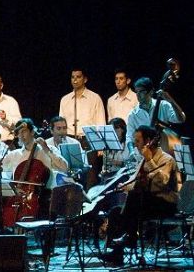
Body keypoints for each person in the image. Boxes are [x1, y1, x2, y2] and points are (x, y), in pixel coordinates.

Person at [100, 125, 179, 266]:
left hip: (165, 203)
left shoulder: (166, 159)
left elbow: (162, 182)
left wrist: (149, 160)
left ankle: (130, 237)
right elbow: (136, 181)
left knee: (135, 197)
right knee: (115, 212)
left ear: (148, 141)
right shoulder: (142, 159)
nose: (135, 144)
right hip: (146, 203)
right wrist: (124, 186)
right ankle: (118, 252)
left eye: (137, 141)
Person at [126, 77, 185, 149]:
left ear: (151, 92)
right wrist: (132, 152)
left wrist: (171, 101)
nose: (138, 95)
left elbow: (181, 119)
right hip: (144, 154)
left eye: (141, 91)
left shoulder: (163, 105)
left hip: (163, 151)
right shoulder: (133, 115)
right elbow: (129, 137)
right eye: (136, 92)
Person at [58, 68, 106, 138]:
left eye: (78, 77)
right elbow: (60, 123)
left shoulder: (95, 98)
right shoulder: (65, 99)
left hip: (89, 138)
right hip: (69, 138)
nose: (75, 80)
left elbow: (101, 123)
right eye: (72, 77)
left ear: (85, 79)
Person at [44, 116, 90, 187]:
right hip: (51, 181)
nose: (62, 132)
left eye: (64, 128)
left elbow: (84, 164)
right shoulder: (46, 144)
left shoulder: (74, 143)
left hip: (70, 179)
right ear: (51, 131)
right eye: (59, 129)